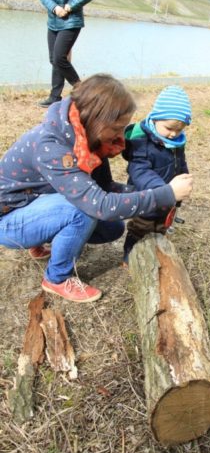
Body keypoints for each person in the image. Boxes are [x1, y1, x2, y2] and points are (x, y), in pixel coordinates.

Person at [0, 74, 193, 303]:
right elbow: (99, 204)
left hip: (33, 203)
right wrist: (166, 194)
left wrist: (143, 193)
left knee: (112, 229)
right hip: (7, 219)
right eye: (118, 128)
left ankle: (39, 238)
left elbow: (105, 187)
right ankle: (57, 278)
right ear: (98, 119)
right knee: (81, 211)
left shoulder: (87, 139)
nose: (121, 136)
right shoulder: (52, 146)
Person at [122, 85, 191, 265]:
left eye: (180, 129)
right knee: (140, 227)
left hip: (168, 197)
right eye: (169, 128)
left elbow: (180, 162)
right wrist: (164, 190)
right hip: (147, 197)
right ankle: (129, 257)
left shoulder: (175, 140)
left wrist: (184, 177)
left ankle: (155, 247)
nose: (174, 133)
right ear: (155, 119)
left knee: (162, 225)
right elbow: (139, 172)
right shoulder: (142, 142)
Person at [39, 0, 98, 108]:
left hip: (71, 21)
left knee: (59, 58)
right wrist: (54, 7)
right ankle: (55, 97)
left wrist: (71, 5)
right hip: (53, 20)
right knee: (54, 59)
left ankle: (83, 90)